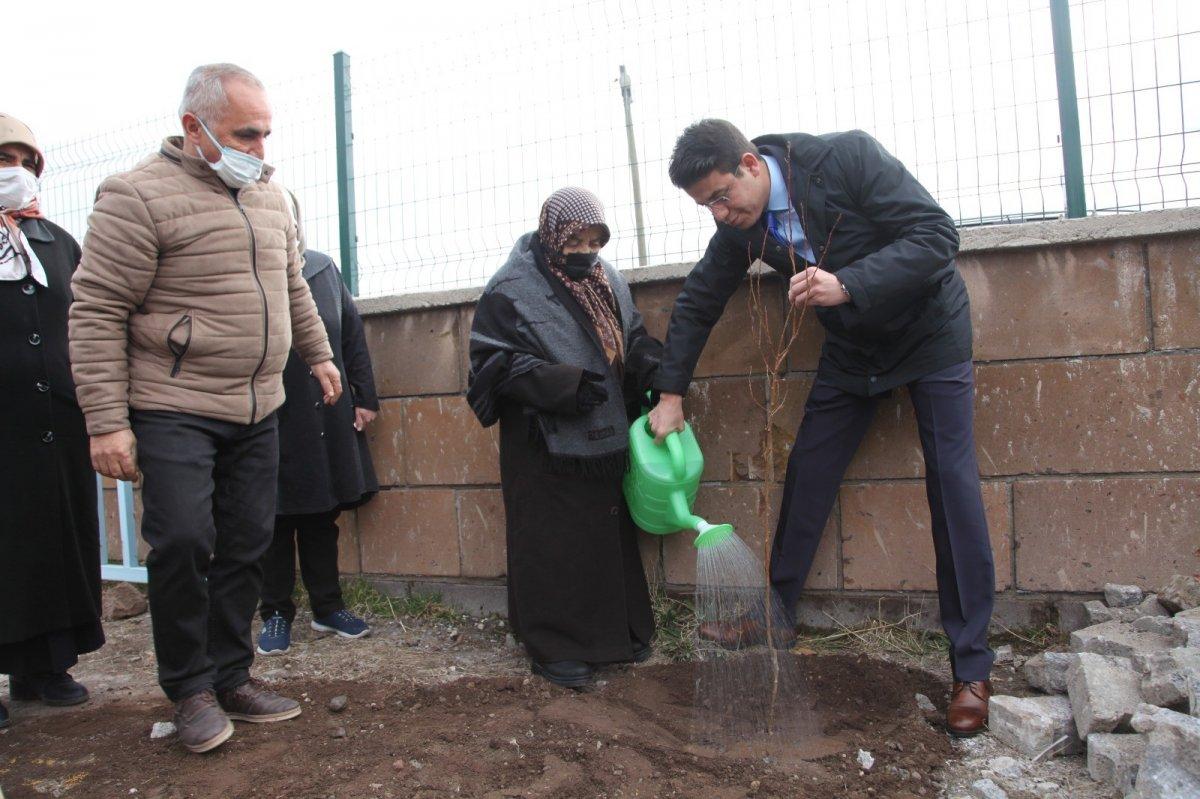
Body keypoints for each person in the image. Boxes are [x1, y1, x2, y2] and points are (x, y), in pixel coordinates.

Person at [648, 119, 995, 737]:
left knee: (953, 488)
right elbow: (699, 299)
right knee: (809, 470)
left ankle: (970, 669)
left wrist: (850, 283)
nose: (719, 214)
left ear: (751, 165)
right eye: (706, 206)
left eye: (721, 196)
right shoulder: (741, 229)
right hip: (852, 353)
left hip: (929, 333)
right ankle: (774, 614)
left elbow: (937, 234)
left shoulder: (846, 158)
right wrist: (670, 394)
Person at [68, 64, 342, 753]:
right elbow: (97, 309)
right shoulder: (136, 196)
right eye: (243, 134)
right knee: (187, 540)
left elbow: (293, 284)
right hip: (173, 404)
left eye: (265, 133)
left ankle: (232, 674)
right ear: (194, 128)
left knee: (249, 542)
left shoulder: (272, 198)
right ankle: (189, 687)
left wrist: (320, 354)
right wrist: (105, 420)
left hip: (258, 405)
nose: (259, 147)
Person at [468, 187, 662, 689]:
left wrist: (651, 364)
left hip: (603, 435)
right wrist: (561, 385)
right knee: (554, 544)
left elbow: (631, 334)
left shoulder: (608, 278)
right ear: (552, 234)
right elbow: (491, 365)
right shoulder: (510, 288)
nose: (585, 251)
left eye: (595, 240)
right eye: (574, 240)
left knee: (603, 537)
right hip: (544, 442)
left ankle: (617, 635)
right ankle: (555, 648)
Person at [0, 113, 104, 729]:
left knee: (53, 541)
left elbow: (87, 324)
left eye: (22, 158)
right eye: (0, 156)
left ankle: (46, 667)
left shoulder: (59, 245)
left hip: (57, 425)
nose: (12, 169)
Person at [257, 247, 379, 656]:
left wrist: (364, 397)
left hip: (323, 407)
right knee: (272, 517)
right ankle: (274, 611)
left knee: (321, 513)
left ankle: (328, 607)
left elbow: (351, 335)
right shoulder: (246, 263)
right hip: (265, 411)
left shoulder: (324, 268)